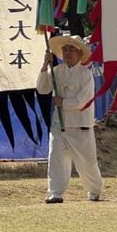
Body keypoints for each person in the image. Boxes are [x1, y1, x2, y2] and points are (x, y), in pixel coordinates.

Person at [37, 35, 103, 203]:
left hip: (80, 125)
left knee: (87, 162)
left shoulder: (85, 74)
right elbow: (42, 88)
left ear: (79, 53)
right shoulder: (57, 71)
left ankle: (94, 191)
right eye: (65, 49)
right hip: (59, 124)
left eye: (71, 49)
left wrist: (63, 102)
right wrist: (45, 65)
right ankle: (55, 192)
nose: (67, 53)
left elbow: (83, 101)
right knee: (56, 158)